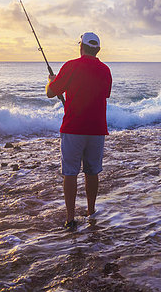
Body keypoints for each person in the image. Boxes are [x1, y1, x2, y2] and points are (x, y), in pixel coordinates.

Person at [45, 32, 112, 230]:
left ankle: (70, 218)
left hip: (74, 128)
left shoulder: (71, 65)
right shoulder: (105, 70)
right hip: (97, 129)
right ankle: (91, 212)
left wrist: (52, 80)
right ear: (98, 49)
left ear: (80, 46)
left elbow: (51, 92)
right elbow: (103, 94)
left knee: (70, 173)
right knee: (92, 172)